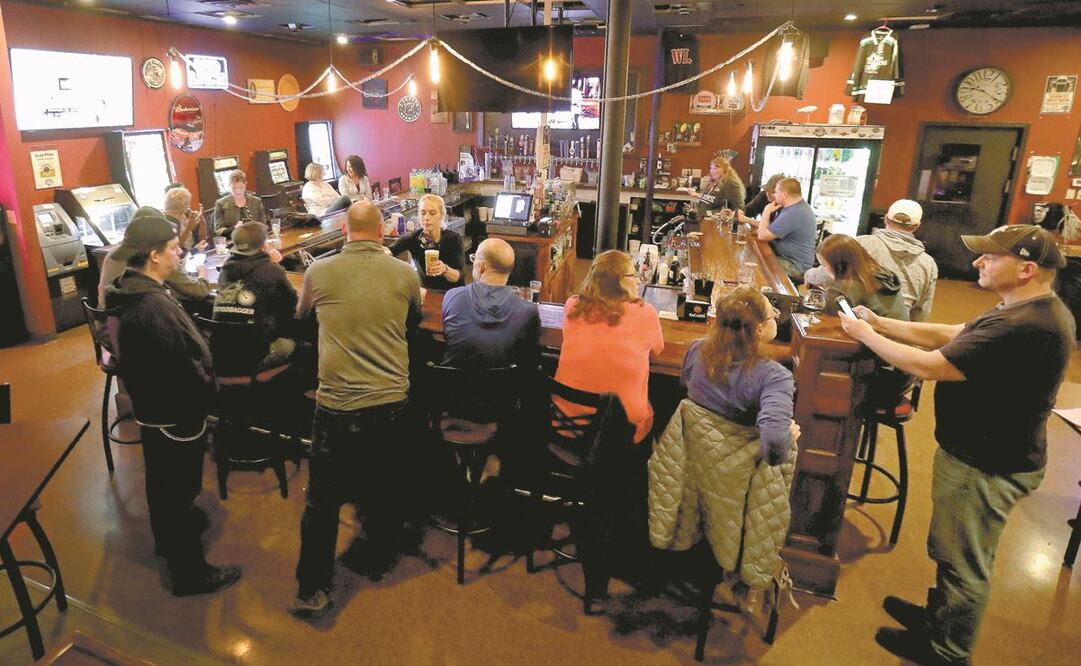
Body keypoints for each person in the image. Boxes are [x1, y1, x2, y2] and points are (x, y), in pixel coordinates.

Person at [838, 224, 1074, 666]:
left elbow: (930, 365)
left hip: (989, 460)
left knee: (964, 563)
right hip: (978, 452)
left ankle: (947, 651)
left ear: (1026, 268)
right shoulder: (1020, 308)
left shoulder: (1026, 324)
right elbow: (950, 333)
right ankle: (938, 618)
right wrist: (878, 321)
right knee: (950, 549)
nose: (978, 263)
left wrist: (864, 334)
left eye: (990, 257)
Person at [289, 201, 423, 620]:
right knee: (385, 486)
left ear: (344, 229)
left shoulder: (319, 271)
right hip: (389, 402)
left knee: (322, 500)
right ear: (382, 231)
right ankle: (379, 561)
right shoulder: (404, 273)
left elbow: (302, 316)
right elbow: (413, 320)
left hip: (335, 403)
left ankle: (311, 588)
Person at [103, 209, 241, 597]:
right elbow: (179, 366)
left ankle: (168, 540)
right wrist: (205, 388)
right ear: (153, 255)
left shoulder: (134, 289)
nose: (179, 253)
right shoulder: (151, 306)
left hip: (155, 410)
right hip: (174, 411)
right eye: (172, 248)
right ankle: (190, 573)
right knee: (178, 488)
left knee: (162, 482)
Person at [555, 250, 664, 444]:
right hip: (620, 433)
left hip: (566, 422)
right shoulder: (645, 313)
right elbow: (657, 352)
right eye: (632, 275)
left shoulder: (572, 305)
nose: (638, 280)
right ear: (617, 282)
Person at [680, 287, 798, 466]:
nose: (776, 316)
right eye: (773, 313)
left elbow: (684, 387)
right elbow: (775, 452)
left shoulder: (697, 349)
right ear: (759, 329)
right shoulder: (775, 378)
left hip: (689, 463)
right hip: (739, 475)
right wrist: (788, 437)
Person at [805, 199, 939, 322]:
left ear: (886, 218)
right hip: (900, 325)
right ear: (917, 226)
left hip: (867, 324)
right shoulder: (929, 264)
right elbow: (921, 312)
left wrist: (808, 275)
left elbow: (831, 274)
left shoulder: (862, 243)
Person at [441, 237, 540, 370]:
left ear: (482, 266)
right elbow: (530, 357)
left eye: (474, 258)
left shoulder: (453, 297)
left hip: (452, 387)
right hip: (502, 389)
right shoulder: (528, 312)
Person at [213, 222, 298, 369]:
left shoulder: (225, 270)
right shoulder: (271, 271)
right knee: (299, 343)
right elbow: (292, 304)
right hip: (255, 357)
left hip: (222, 356)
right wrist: (273, 265)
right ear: (264, 245)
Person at [97, 207, 212, 309]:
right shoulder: (150, 260)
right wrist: (203, 274)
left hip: (106, 318)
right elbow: (198, 291)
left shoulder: (113, 252)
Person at [738, 177, 816, 279]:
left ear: (784, 194)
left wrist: (766, 211)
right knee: (752, 257)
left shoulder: (793, 213)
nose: (774, 195)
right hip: (789, 258)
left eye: (776, 192)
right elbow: (769, 228)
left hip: (794, 264)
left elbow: (762, 235)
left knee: (753, 267)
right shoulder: (796, 207)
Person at [813, 233, 905, 320]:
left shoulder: (840, 290)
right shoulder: (886, 276)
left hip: (872, 335)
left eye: (824, 265)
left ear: (838, 265)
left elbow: (825, 324)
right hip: (899, 334)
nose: (823, 269)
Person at [389, 193, 466, 291]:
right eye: (423, 213)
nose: (426, 217)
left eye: (432, 213)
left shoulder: (453, 239)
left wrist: (445, 269)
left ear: (441, 216)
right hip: (428, 293)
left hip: (452, 293)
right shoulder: (414, 238)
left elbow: (458, 276)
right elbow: (388, 252)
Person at [214, 169, 264, 236]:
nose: (238, 191)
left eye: (241, 188)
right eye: (234, 188)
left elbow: (264, 225)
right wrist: (234, 228)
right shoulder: (220, 204)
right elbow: (218, 230)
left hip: (254, 238)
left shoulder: (256, 201)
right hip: (232, 240)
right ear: (229, 186)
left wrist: (255, 227)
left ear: (245, 184)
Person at [162, 185, 205, 251]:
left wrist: (202, 219)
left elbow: (203, 239)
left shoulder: (188, 214)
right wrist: (188, 228)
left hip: (194, 254)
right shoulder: (163, 221)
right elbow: (173, 249)